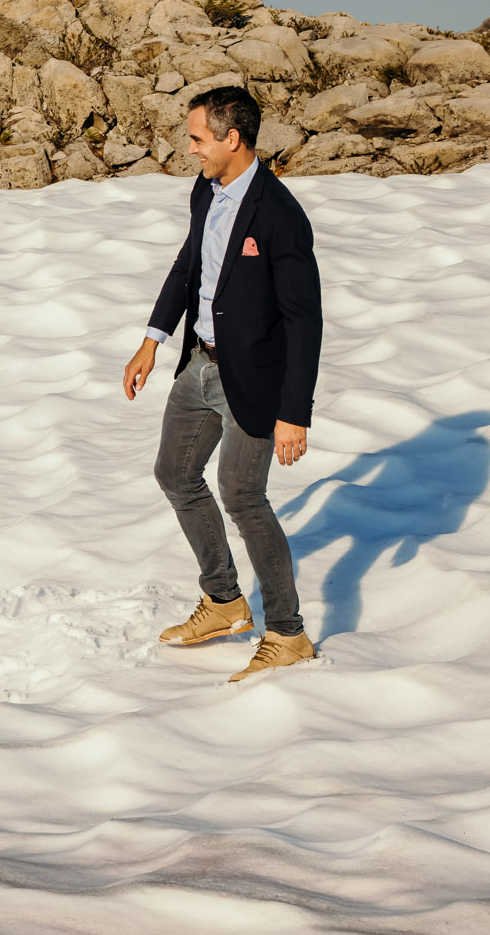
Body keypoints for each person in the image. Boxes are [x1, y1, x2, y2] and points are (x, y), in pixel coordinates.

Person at [121, 85, 323, 681]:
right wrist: (152, 340)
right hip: (200, 365)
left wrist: (295, 412)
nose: (191, 150)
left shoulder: (281, 214)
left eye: (197, 139)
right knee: (176, 474)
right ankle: (225, 602)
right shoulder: (205, 191)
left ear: (232, 139)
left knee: (241, 495)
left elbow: (304, 321)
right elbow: (190, 264)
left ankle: (287, 634)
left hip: (256, 380)